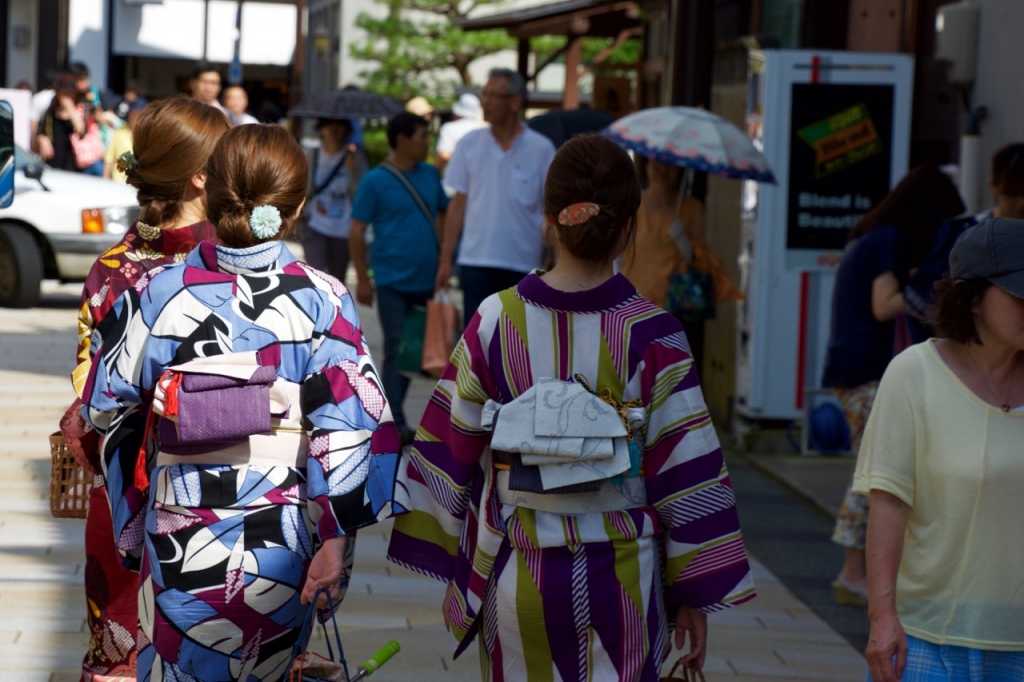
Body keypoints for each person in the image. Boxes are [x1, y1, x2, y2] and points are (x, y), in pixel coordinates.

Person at [388, 134, 755, 680]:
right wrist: (693, 591)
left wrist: (448, 545)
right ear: (629, 225)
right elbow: (688, 473)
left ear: (548, 220)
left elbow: (449, 445)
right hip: (623, 575)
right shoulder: (654, 335)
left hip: (517, 571)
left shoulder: (495, 320)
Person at [82, 124, 402, 680]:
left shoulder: (157, 293)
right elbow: (351, 430)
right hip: (282, 545)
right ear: (296, 206)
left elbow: (104, 407)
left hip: (179, 537)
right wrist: (334, 539)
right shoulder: (324, 299)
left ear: (211, 191)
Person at [59, 95, 231, 682]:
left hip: (122, 489)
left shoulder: (113, 266)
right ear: (203, 175)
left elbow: (92, 388)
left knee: (118, 643)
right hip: (221, 494)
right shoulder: (238, 266)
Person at [858, 217, 1024, 682]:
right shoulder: (915, 374)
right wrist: (882, 618)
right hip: (927, 641)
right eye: (1019, 293)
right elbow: (888, 503)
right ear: (970, 297)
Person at [823, 166, 965, 607]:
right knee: (875, 475)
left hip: (851, 367)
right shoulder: (890, 240)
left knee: (872, 470)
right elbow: (883, 305)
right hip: (865, 370)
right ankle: (851, 572)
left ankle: (856, 571)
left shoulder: (872, 235)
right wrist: (928, 287)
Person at [350, 112, 449, 445]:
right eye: (422, 136)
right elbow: (357, 229)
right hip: (391, 279)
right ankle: (393, 419)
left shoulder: (430, 174)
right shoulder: (375, 180)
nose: (427, 142)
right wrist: (363, 279)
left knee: (414, 353)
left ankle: (394, 414)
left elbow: (443, 214)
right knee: (395, 347)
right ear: (403, 139)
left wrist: (445, 262)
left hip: (426, 279)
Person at [436, 68, 557, 327]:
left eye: (494, 95)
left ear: (515, 102)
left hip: (523, 264)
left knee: (520, 347)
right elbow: (457, 205)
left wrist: (554, 265)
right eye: (484, 94)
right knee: (477, 345)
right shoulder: (469, 143)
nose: (485, 101)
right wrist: (445, 260)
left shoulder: (541, 148)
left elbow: (551, 211)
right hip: (475, 260)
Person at [621, 159, 743, 369]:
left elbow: (701, 264)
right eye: (655, 162)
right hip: (634, 309)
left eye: (670, 164)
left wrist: (685, 243)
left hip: (675, 311)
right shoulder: (631, 205)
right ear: (645, 167)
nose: (662, 168)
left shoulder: (692, 208)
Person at [301, 116, 368, 283]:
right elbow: (301, 187)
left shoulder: (356, 158)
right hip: (314, 224)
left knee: (337, 282)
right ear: (321, 127)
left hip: (344, 228)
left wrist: (352, 172)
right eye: (329, 123)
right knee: (314, 277)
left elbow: (363, 194)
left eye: (340, 124)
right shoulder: (311, 154)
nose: (334, 128)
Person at [36, 74, 87, 171]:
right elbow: (40, 131)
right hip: (52, 162)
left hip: (73, 165)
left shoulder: (80, 109)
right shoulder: (51, 110)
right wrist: (42, 139)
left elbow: (81, 131)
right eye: (63, 91)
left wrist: (70, 109)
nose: (66, 94)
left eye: (70, 92)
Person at [435, 92, 485, 176]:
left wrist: (433, 171)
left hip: (453, 180)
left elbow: (444, 155)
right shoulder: (483, 129)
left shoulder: (449, 128)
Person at [102, 99, 146, 182]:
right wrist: (104, 182)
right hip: (118, 183)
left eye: (141, 114)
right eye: (135, 113)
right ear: (130, 114)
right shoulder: (119, 133)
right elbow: (109, 159)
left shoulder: (145, 137)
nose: (138, 117)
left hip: (136, 186)